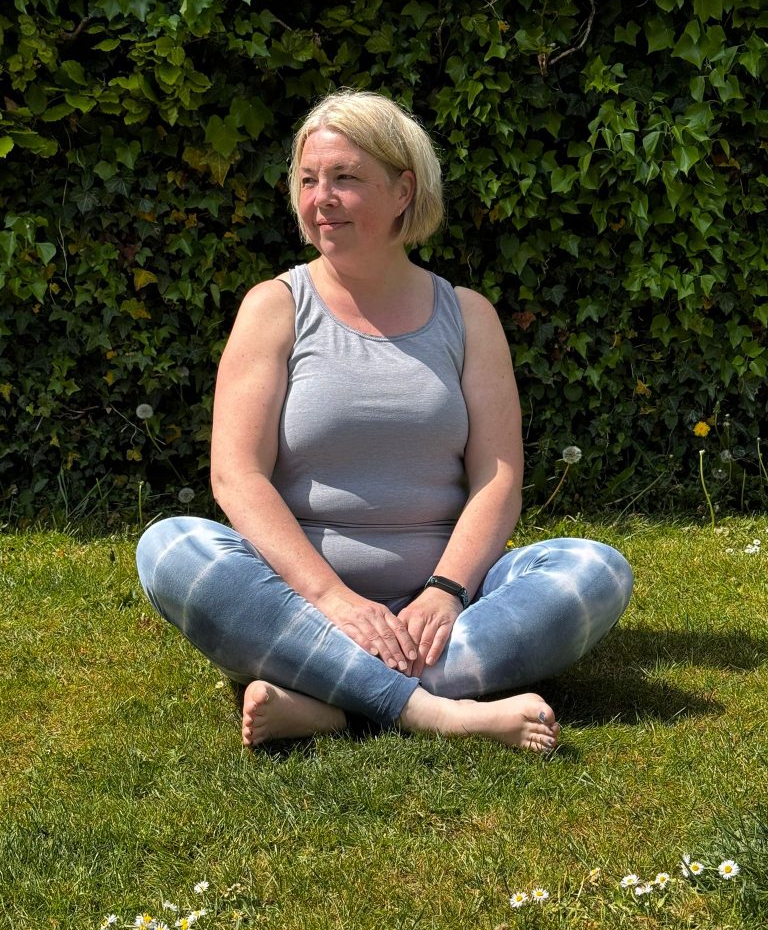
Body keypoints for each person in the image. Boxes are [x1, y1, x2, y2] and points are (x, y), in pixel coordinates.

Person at [136, 89, 633, 754]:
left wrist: (446, 593)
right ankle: (439, 711)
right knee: (169, 549)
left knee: (595, 568)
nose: (321, 198)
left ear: (403, 190)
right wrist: (333, 600)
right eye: (309, 181)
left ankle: (330, 705)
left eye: (345, 178)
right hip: (301, 603)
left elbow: (497, 479)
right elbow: (236, 475)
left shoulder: (468, 316)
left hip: (444, 616)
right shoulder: (275, 306)